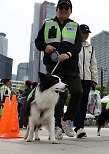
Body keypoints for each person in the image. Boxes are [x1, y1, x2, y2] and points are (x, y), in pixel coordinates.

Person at [35, 0, 82, 138]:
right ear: (56, 9)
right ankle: (56, 126)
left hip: (71, 66)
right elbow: (38, 41)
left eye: (66, 7)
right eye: (61, 7)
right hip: (54, 67)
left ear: (70, 10)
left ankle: (66, 120)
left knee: (77, 91)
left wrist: (68, 54)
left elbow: (78, 46)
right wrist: (45, 47)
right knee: (58, 97)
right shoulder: (48, 24)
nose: (63, 9)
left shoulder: (75, 26)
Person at [73, 24, 98, 138]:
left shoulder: (91, 48)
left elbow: (93, 65)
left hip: (87, 79)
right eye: (83, 32)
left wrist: (94, 80)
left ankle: (80, 127)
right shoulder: (74, 45)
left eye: (87, 33)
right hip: (76, 77)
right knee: (76, 102)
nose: (85, 35)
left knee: (84, 103)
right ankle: (76, 125)